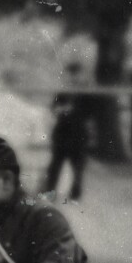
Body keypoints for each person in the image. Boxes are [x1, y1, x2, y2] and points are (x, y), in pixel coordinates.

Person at [43, 61, 95, 200]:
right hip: (62, 132)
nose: (73, 79)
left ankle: (75, 193)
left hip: (78, 133)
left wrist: (76, 112)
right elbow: (53, 108)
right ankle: (50, 191)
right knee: (55, 164)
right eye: (70, 76)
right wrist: (61, 110)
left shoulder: (86, 94)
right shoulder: (62, 93)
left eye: (75, 75)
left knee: (78, 165)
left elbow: (91, 113)